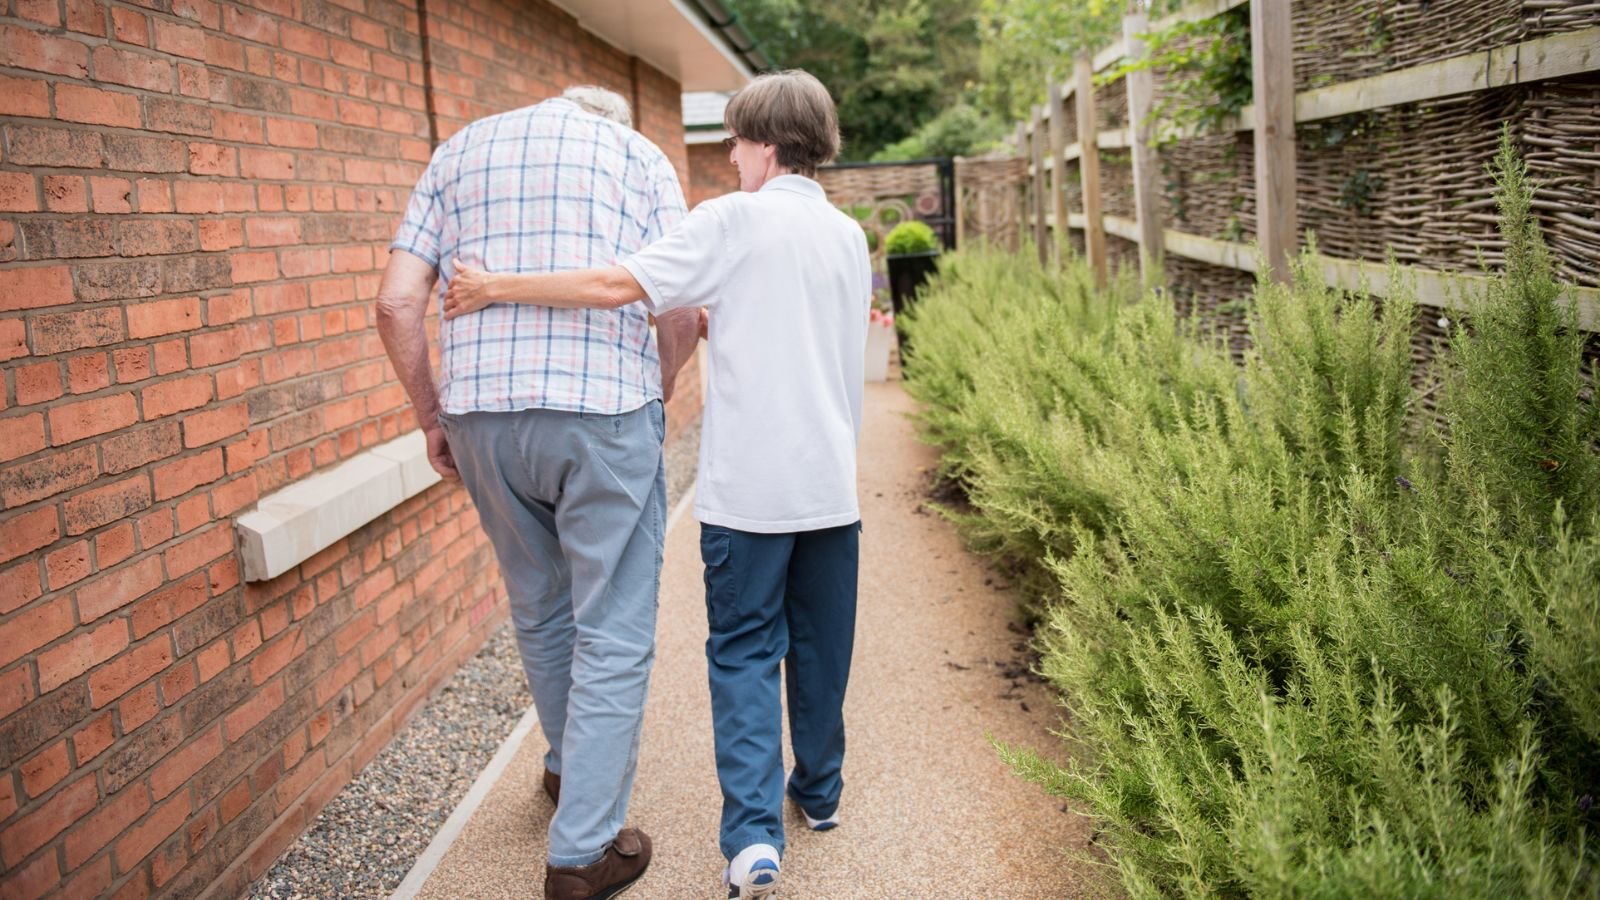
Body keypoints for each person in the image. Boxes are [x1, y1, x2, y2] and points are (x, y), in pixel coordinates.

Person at [443, 69, 870, 900]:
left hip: (749, 494)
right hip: (830, 485)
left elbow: (615, 284)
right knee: (823, 646)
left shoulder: (732, 218)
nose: (732, 157)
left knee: (745, 652)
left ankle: (753, 840)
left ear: (766, 145)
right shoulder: (846, 235)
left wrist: (494, 287)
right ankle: (820, 796)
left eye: (736, 142)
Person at [375, 85, 701, 900]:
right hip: (604, 411)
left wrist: (431, 416)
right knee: (613, 625)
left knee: (541, 606)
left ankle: (567, 771)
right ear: (610, 118)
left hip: (480, 414)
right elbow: (681, 306)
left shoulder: (456, 150)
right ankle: (583, 853)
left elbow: (396, 302)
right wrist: (660, 387)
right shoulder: (638, 156)